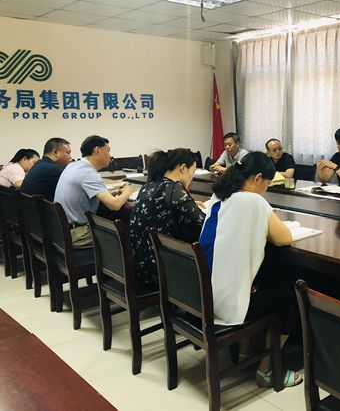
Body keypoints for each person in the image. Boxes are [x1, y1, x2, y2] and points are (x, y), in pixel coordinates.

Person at [198, 151, 302, 388]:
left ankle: (246, 353)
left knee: (262, 279)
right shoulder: (253, 201)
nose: (266, 188)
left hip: (203, 294)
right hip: (224, 303)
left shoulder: (219, 196)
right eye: (267, 183)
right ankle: (267, 370)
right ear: (257, 178)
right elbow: (284, 238)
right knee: (291, 297)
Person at [129, 149, 205, 290]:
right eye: (193, 171)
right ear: (183, 168)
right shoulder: (174, 187)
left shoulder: (148, 185)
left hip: (139, 265)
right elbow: (202, 221)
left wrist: (191, 204)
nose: (192, 177)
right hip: (159, 270)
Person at [55, 135, 133, 248]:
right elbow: (115, 205)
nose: (110, 156)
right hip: (78, 234)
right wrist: (127, 191)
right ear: (97, 150)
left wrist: (109, 195)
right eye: (108, 151)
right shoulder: (88, 173)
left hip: (62, 230)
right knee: (129, 229)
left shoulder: (73, 166)